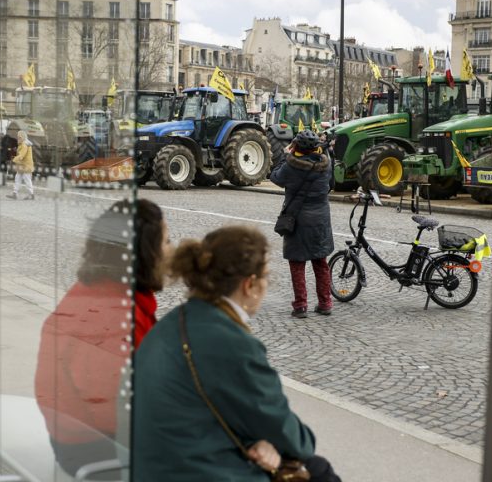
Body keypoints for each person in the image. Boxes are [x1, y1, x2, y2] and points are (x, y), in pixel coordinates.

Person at [133, 226, 340, 481]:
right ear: (249, 285)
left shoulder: (176, 319)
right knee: (319, 471)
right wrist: (267, 443)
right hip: (196, 470)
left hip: (155, 463)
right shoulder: (232, 343)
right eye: (266, 276)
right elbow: (293, 437)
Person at [34, 199, 170, 477]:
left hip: (83, 438)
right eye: (166, 241)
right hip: (98, 450)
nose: (172, 251)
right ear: (145, 252)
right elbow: (116, 414)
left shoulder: (102, 294)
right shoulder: (112, 315)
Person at [270, 130, 335, 318]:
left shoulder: (292, 166)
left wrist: (285, 156)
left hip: (298, 219)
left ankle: (300, 306)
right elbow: (330, 185)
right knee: (321, 262)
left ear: (296, 146)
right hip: (320, 219)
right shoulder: (326, 164)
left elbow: (276, 177)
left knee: (297, 263)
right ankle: (325, 303)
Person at [6, 130, 35, 200]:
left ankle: (31, 194)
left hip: (25, 166)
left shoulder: (24, 145)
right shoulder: (23, 144)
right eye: (18, 137)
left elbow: (21, 155)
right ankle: (15, 193)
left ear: (22, 137)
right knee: (18, 178)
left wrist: (14, 160)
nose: (18, 139)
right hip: (22, 165)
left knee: (27, 179)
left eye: (19, 137)